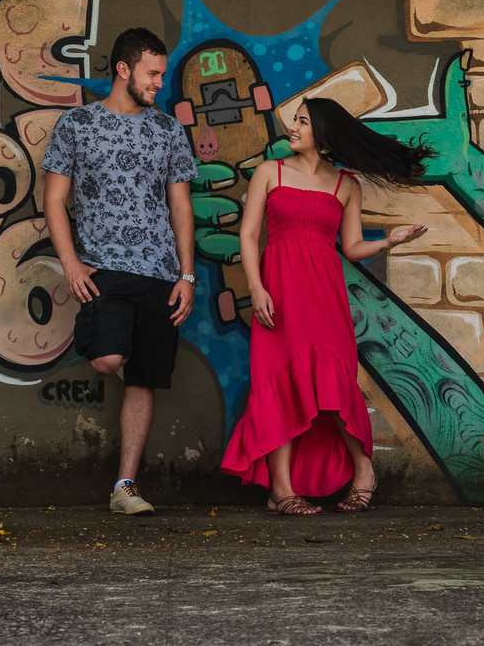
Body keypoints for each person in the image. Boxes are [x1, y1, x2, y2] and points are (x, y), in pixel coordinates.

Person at [220, 97, 433, 515]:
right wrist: (256, 287)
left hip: (325, 298)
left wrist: (390, 241)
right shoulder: (269, 172)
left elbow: (351, 249)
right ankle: (281, 490)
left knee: (333, 384)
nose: (293, 128)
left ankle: (363, 471)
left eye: (302, 122)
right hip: (277, 296)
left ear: (322, 132)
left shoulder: (344, 185)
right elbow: (248, 236)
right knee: (277, 383)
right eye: (294, 121)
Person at [42, 27, 198, 515]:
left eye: (162, 74)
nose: (159, 84)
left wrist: (187, 276)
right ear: (124, 70)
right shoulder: (77, 125)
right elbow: (53, 200)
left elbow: (180, 207)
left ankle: (124, 487)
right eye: (152, 74)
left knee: (144, 380)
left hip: (160, 272)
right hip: (104, 268)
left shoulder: (169, 130)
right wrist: (70, 263)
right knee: (109, 359)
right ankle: (118, 343)